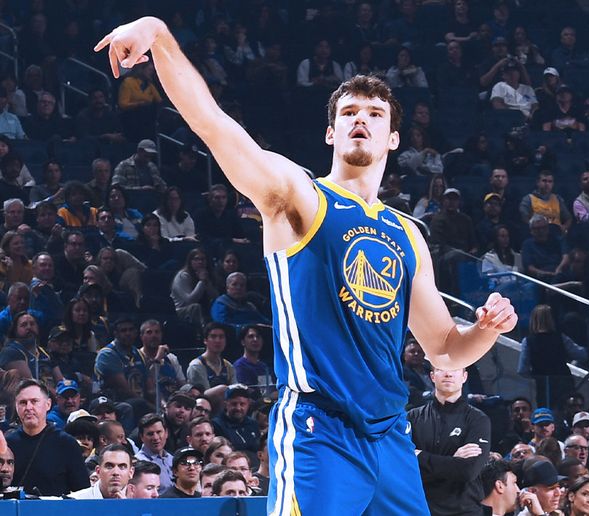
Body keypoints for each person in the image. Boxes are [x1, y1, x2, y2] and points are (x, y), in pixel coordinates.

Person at [96, 23, 517, 515]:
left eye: (375, 114)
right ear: (331, 133)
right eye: (349, 112)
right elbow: (213, 124)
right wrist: (160, 37)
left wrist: (486, 330)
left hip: (391, 435)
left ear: (393, 138)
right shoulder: (300, 196)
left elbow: (445, 349)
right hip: (321, 429)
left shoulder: (407, 234)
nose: (361, 119)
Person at [408, 367, 491, 515]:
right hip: (422, 509)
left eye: (455, 369)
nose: (448, 374)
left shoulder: (478, 419)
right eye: (441, 369)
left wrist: (420, 456)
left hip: (464, 511)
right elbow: (405, 468)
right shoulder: (412, 418)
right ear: (432, 376)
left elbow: (468, 471)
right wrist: (453, 460)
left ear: (464, 376)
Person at [6, 379, 89, 496]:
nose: (28, 407)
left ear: (48, 404)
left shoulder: (67, 443)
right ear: (16, 406)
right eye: (23, 403)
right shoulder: (7, 444)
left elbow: (83, 492)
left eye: (34, 401)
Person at [186, 322, 236, 403]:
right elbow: (202, 396)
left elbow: (235, 392)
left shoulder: (228, 366)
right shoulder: (196, 366)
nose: (218, 340)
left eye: (221, 337)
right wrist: (222, 390)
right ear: (205, 340)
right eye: (213, 336)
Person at [171, 247, 218, 328]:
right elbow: (189, 300)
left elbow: (215, 296)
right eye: (196, 259)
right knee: (195, 307)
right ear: (190, 261)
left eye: (203, 259)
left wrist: (207, 282)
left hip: (203, 308)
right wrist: (201, 281)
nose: (200, 262)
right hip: (182, 310)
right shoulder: (182, 276)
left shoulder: (207, 274)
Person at [212, 384, 260, 463]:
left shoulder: (253, 424)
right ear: (226, 404)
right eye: (234, 404)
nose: (238, 408)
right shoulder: (216, 425)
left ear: (248, 404)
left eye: (242, 404)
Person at [69, 443, 134, 499]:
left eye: (122, 467)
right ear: (98, 471)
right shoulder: (75, 501)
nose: (116, 472)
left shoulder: (139, 502)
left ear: (131, 472)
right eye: (109, 466)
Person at [134, 413, 173, 494]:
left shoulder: (173, 459)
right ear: (141, 437)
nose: (155, 438)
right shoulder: (137, 463)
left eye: (159, 432)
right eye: (150, 434)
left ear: (166, 433)